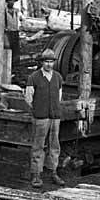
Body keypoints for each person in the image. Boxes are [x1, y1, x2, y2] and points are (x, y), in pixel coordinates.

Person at [25, 48, 65, 187]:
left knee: (54, 145)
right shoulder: (34, 77)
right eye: (46, 62)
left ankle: (53, 172)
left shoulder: (58, 77)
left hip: (55, 117)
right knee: (38, 146)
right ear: (42, 63)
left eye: (51, 62)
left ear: (54, 63)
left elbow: (59, 97)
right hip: (40, 117)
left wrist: (54, 109)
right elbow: (28, 98)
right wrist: (38, 110)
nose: (48, 64)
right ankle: (36, 175)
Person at [5, 0, 24, 65]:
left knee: (16, 49)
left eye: (13, 1)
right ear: (7, 1)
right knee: (7, 48)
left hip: (15, 32)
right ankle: (7, 64)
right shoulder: (3, 11)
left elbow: (22, 20)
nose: (11, 2)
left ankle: (15, 66)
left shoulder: (16, 11)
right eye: (10, 0)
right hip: (7, 33)